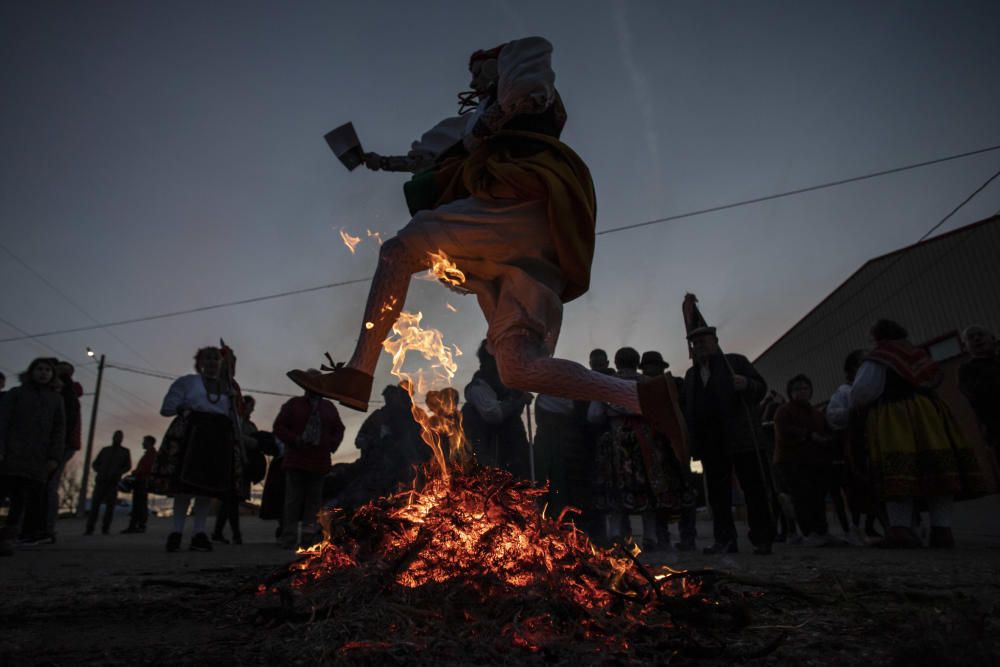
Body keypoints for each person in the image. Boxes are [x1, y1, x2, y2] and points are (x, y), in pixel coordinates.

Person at [286, 36, 680, 449]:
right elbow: (425, 158)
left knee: (399, 252)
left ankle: (358, 371)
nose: (472, 77)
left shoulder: (519, 70)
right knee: (518, 367)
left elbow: (530, 89)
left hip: (518, 207)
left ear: (498, 63)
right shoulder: (469, 122)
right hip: (522, 255)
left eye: (479, 68)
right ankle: (639, 396)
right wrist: (375, 160)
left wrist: (491, 118)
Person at [850, 319, 985, 548]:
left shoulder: (880, 358)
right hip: (929, 413)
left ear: (878, 337)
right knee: (938, 468)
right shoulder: (917, 354)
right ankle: (942, 530)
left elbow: (862, 392)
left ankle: (901, 529)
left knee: (898, 469)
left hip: (895, 416)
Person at [683, 323, 774, 555]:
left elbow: (761, 387)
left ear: (715, 342)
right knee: (718, 495)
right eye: (695, 343)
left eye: (703, 341)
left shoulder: (735, 362)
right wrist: (694, 445)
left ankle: (762, 538)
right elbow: (689, 410)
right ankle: (725, 540)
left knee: (753, 489)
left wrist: (747, 384)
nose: (699, 346)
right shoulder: (692, 374)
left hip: (742, 437)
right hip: (711, 443)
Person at [590, 348, 681, 551]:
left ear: (615, 361)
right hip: (645, 441)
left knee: (616, 490)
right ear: (637, 361)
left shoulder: (606, 385)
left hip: (617, 440)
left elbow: (594, 415)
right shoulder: (649, 383)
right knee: (647, 489)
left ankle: (616, 534)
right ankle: (650, 537)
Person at [155, 346, 244, 553]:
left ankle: (199, 533)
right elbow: (167, 407)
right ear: (201, 362)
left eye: (216, 358)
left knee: (207, 488)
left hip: (218, 438)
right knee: (185, 486)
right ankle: (176, 531)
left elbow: (235, 418)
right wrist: (182, 407)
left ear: (221, 363)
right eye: (208, 358)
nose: (213, 362)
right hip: (192, 435)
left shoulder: (228, 388)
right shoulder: (187, 382)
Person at [272, 371, 345, 549]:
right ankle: (288, 537)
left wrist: (330, 444)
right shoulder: (294, 404)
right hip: (296, 459)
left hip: (318, 461)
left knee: (313, 502)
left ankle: (307, 538)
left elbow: (339, 429)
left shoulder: (328, 407)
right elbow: (279, 426)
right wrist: (294, 439)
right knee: (293, 500)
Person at [0, 359, 66, 557]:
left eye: (47, 370)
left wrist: (54, 457)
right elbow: (3, 422)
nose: (43, 373)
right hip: (11, 455)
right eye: (39, 369)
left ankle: (7, 539)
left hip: (37, 459)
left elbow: (59, 430)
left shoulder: (56, 400)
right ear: (31, 372)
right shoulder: (16, 394)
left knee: (21, 500)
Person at [639, 350, 697, 552]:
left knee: (685, 493)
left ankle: (688, 538)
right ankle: (663, 538)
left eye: (653, 366)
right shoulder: (640, 389)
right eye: (647, 367)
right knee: (657, 496)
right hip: (653, 450)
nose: (650, 370)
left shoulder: (676, 384)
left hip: (676, 446)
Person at [773, 375, 842, 546]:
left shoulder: (816, 413)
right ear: (790, 392)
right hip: (792, 462)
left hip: (816, 462)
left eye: (805, 388)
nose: (802, 392)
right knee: (801, 497)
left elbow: (825, 431)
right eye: (797, 389)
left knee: (818, 497)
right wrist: (808, 436)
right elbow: (784, 433)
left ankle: (821, 531)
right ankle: (808, 532)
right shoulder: (784, 411)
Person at [462, 341, 532, 478]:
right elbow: (493, 414)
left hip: (511, 452)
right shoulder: (478, 386)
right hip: (490, 452)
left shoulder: (507, 384)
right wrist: (518, 400)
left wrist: (519, 395)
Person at [958, 325, 1000, 455]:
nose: (977, 339)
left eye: (980, 335)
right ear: (965, 347)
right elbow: (980, 396)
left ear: (993, 339)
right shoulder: (966, 371)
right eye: (971, 338)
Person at [85, 430, 132, 535]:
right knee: (95, 506)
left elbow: (128, 466)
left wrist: (118, 473)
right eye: (116, 436)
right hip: (101, 481)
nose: (117, 438)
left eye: (119, 436)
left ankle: (105, 528)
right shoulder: (105, 450)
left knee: (110, 507)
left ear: (122, 438)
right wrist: (100, 471)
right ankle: (89, 528)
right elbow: (95, 464)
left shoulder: (125, 452)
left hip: (113, 483)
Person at [122, 436, 157, 534]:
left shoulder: (151, 455)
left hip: (142, 482)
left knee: (139, 504)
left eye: (144, 441)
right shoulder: (149, 454)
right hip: (141, 481)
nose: (143, 443)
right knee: (140, 504)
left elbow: (146, 469)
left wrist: (135, 473)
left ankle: (137, 525)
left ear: (149, 442)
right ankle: (137, 525)